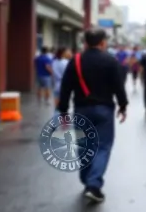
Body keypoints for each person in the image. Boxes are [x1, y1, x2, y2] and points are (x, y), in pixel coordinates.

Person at [58, 28, 128, 203]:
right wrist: (123, 105)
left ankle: (87, 180)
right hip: (104, 110)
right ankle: (94, 185)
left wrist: (63, 111)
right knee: (102, 147)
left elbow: (66, 87)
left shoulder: (76, 60)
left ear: (85, 43)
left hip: (81, 109)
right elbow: (118, 86)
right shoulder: (110, 61)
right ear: (103, 42)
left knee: (83, 146)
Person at [51, 47, 72, 112]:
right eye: (68, 51)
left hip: (56, 85)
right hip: (64, 87)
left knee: (57, 108)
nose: (70, 53)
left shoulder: (55, 62)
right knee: (63, 109)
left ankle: (55, 121)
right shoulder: (66, 63)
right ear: (64, 53)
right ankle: (63, 121)